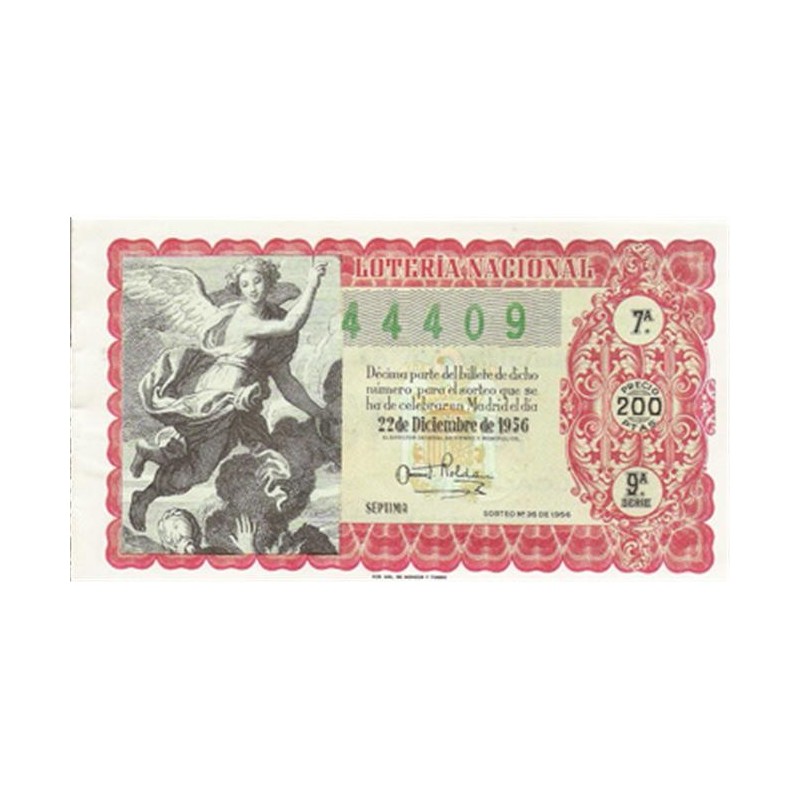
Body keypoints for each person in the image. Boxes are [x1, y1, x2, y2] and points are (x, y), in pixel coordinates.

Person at [128, 257, 329, 531]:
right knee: (190, 454)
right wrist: (313, 284)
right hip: (217, 397)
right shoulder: (243, 317)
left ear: (269, 283)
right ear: (238, 288)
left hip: (242, 407)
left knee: (202, 470)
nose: (252, 289)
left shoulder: (275, 325)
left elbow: (286, 381)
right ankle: (149, 470)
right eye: (245, 284)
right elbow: (291, 324)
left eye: (257, 281)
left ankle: (146, 486)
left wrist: (318, 412)